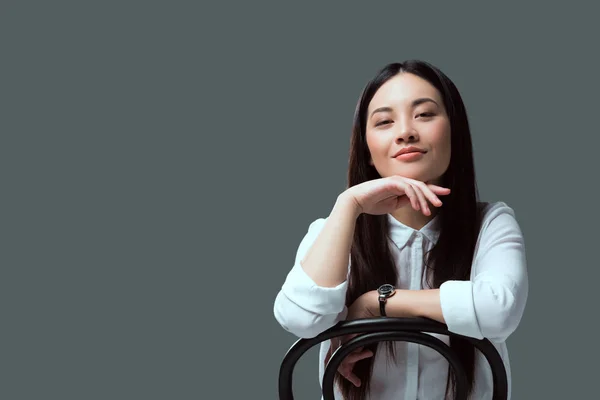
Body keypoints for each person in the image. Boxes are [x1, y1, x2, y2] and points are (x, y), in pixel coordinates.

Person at [273, 59, 528, 400]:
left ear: (455, 132)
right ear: (366, 149)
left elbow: (499, 310)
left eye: (424, 114)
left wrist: (376, 304)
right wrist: (349, 205)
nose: (405, 132)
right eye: (384, 121)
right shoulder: (335, 229)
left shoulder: (490, 223)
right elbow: (300, 319)